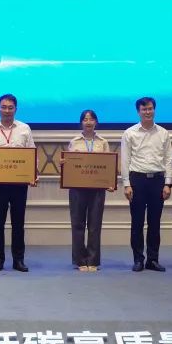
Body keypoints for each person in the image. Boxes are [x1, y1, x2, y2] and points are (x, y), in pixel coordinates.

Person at [0, 93, 36, 272]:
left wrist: (32, 174)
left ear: (15, 109)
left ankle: (18, 260)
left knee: (18, 224)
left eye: (10, 108)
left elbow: (32, 154)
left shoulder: (25, 128)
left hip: (19, 184)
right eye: (3, 107)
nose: (7, 111)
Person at [120, 97, 172, 272]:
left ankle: (153, 259)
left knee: (154, 223)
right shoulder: (129, 133)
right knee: (137, 223)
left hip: (158, 181)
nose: (147, 112)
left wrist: (168, 184)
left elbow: (168, 160)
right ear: (138, 112)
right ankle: (138, 259)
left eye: (150, 109)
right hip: (137, 181)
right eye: (144, 109)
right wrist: (126, 184)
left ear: (154, 110)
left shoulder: (163, 133)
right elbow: (125, 160)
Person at [61, 109, 115, 272]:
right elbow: (70, 165)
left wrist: (110, 182)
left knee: (95, 225)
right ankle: (80, 261)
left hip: (97, 189)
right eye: (85, 119)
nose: (88, 122)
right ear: (81, 123)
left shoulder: (103, 142)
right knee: (77, 224)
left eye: (91, 119)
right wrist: (64, 164)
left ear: (96, 122)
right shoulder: (74, 142)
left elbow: (108, 165)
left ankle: (92, 260)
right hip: (77, 189)